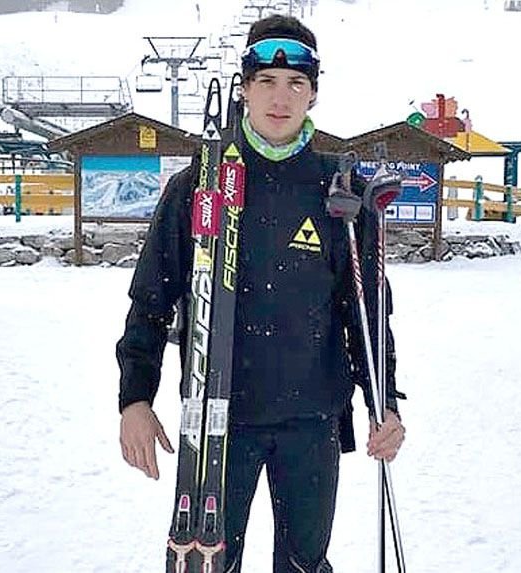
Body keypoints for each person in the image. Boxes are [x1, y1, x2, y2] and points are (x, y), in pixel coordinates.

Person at [117, 14, 407, 573]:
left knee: (303, 564)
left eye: (296, 83)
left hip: (312, 420)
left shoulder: (341, 193)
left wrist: (384, 402)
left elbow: (369, 314)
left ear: (313, 93)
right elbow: (151, 301)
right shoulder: (199, 184)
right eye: (267, 82)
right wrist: (135, 398)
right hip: (219, 420)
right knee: (209, 563)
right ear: (245, 88)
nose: (281, 97)